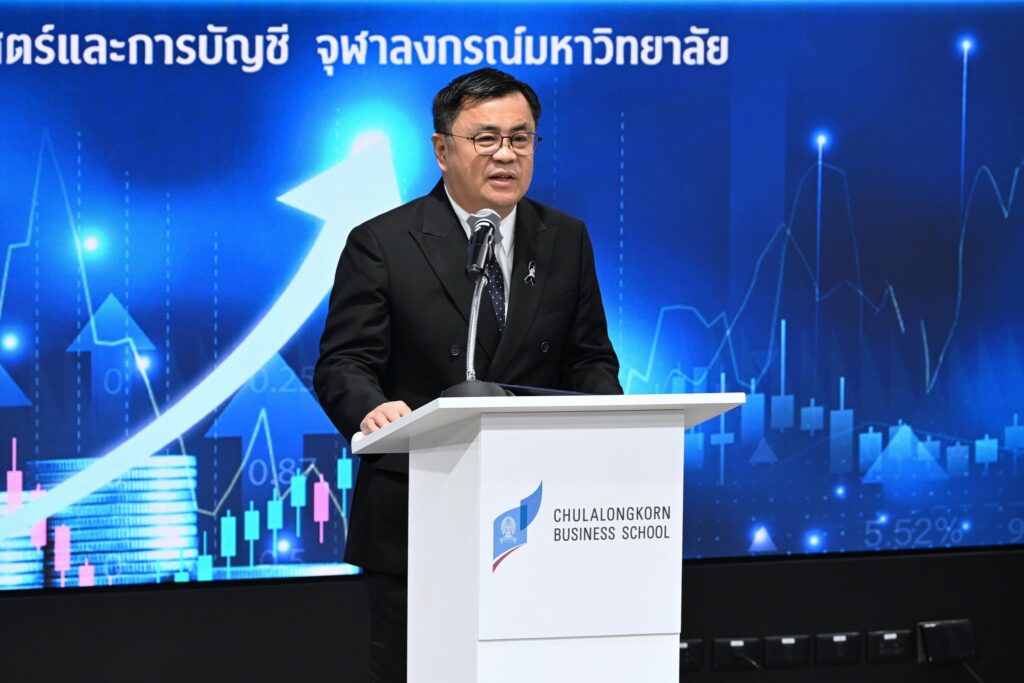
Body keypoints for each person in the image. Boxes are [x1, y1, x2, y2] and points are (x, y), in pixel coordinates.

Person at [313, 67, 622, 682]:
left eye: (521, 138)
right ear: (442, 149)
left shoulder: (564, 238)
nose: (506, 154)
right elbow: (344, 362)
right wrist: (371, 409)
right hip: (419, 514)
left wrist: (613, 426)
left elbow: (589, 358)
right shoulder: (383, 243)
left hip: (540, 514)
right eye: (486, 139)